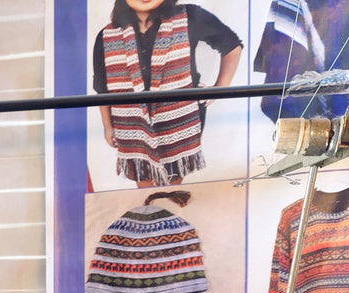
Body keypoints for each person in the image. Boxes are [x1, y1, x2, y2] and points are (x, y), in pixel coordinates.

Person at [92, 0, 243, 187]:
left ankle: (170, 201)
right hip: (132, 126)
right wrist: (107, 126)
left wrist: (220, 88)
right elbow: (102, 88)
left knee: (173, 182)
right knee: (144, 183)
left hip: (181, 122)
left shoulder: (190, 17)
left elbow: (231, 45)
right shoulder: (107, 36)